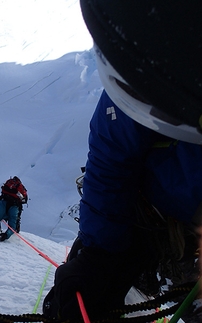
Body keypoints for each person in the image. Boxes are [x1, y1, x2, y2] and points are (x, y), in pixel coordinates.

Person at [43, 0, 202, 321]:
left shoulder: (149, 68)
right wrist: (100, 253)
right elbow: (111, 162)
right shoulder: (141, 71)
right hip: (154, 217)